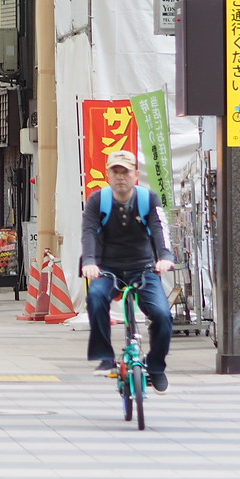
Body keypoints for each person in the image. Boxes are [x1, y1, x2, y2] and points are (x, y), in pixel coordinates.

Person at [82, 150, 176, 390]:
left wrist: (164, 257)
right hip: (108, 268)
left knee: (163, 315)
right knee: (94, 297)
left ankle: (155, 365)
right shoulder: (97, 200)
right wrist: (90, 261)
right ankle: (105, 357)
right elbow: (89, 232)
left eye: (125, 172)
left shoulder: (148, 199)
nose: (120, 177)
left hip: (143, 268)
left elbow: (159, 229)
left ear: (136, 174)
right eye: (115, 171)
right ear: (107, 174)